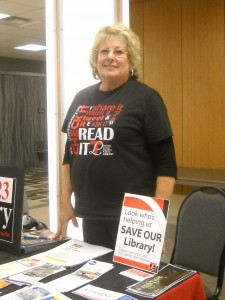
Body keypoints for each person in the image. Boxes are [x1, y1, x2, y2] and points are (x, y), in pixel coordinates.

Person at [53, 24, 177, 249]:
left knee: (130, 280)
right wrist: (64, 202)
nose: (110, 57)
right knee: (99, 278)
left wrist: (156, 218)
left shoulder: (146, 99)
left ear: (130, 60)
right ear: (95, 58)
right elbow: (69, 155)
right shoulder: (81, 98)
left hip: (135, 216)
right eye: (104, 51)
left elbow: (166, 165)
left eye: (118, 52)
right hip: (91, 213)